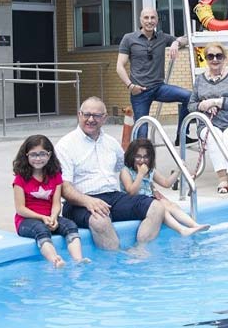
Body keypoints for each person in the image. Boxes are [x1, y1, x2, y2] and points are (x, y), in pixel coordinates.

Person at [58, 97, 165, 254]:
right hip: (80, 202)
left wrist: (150, 187)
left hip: (113, 198)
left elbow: (127, 168)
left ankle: (139, 252)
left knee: (156, 207)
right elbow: (64, 188)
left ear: (104, 118)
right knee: (100, 221)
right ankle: (116, 261)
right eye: (86, 114)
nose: (91, 119)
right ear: (79, 115)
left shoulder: (111, 143)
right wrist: (88, 201)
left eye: (96, 116)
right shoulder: (65, 145)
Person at [116, 7, 194, 145]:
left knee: (189, 96)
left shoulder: (162, 37)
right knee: (142, 134)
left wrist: (176, 42)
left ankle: (182, 136)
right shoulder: (129, 39)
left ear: (157, 20)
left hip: (159, 87)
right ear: (140, 20)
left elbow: (187, 39)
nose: (149, 21)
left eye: (153, 18)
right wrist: (130, 86)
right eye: (146, 18)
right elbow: (119, 66)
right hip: (139, 91)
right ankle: (141, 164)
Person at [11, 134, 89, 267]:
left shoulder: (55, 176)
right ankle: (55, 260)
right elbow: (20, 209)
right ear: (26, 155)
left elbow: (56, 203)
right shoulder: (20, 179)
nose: (38, 158)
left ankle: (78, 259)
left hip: (50, 217)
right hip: (26, 221)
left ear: (49, 155)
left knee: (70, 226)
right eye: (33, 154)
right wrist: (42, 217)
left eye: (42, 154)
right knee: (41, 230)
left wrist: (53, 217)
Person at [187, 42, 228, 193]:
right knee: (214, 135)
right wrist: (203, 105)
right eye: (210, 56)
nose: (215, 59)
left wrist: (217, 102)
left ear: (224, 58)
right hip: (209, 124)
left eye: (218, 56)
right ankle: (222, 178)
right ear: (206, 59)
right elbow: (191, 105)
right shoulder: (200, 80)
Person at [120, 139, 210, 236]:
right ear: (132, 156)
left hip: (149, 201)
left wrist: (178, 170)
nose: (142, 160)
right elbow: (131, 192)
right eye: (138, 157)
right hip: (134, 203)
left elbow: (166, 183)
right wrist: (140, 174)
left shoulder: (150, 171)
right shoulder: (126, 171)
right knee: (162, 209)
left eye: (145, 157)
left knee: (171, 205)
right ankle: (182, 230)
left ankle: (194, 225)